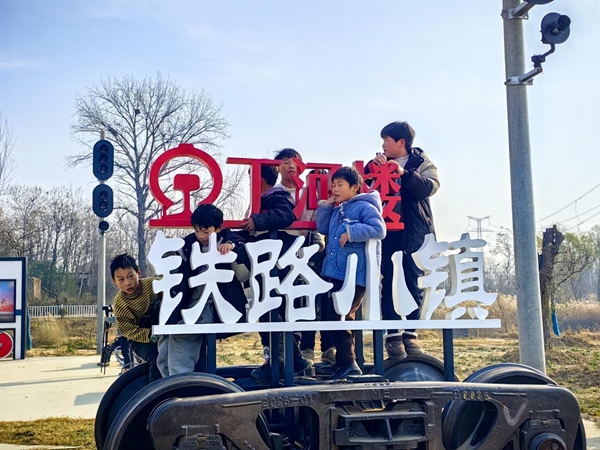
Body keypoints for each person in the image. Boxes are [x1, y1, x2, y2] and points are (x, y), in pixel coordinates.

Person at [367, 121, 439, 360]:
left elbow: (428, 188)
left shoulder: (422, 163)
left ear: (401, 142)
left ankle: (410, 333)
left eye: (386, 140)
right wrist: (371, 167)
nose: (383, 145)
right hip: (388, 233)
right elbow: (363, 186)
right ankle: (392, 334)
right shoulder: (378, 163)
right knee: (389, 281)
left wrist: (404, 174)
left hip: (414, 232)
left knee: (413, 280)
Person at [238, 164, 313, 381]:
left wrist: (257, 221)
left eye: (252, 176)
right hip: (267, 265)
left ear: (260, 178)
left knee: (271, 310)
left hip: (276, 265)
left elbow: (285, 215)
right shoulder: (262, 200)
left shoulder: (275, 196)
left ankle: (282, 361)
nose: (250, 182)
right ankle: (289, 359)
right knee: (268, 310)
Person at [158, 204, 248, 377]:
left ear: (219, 228)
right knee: (166, 336)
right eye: (197, 230)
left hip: (213, 305)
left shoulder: (230, 242)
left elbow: (243, 269)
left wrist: (233, 248)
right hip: (190, 302)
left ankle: (180, 382)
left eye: (205, 232)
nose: (200, 236)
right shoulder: (188, 244)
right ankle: (167, 380)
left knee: (183, 334)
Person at [315, 167, 386, 380]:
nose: (335, 189)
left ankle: (348, 364)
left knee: (339, 317)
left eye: (340, 185)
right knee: (334, 317)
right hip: (336, 273)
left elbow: (379, 229)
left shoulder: (365, 206)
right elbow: (323, 228)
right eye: (333, 185)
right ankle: (343, 362)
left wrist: (352, 232)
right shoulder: (339, 209)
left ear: (355, 187)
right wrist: (326, 206)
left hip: (355, 276)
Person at [273, 149, 334, 365]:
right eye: (285, 162)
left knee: (313, 298)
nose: (291, 166)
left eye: (295, 162)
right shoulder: (271, 194)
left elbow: (320, 223)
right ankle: (290, 351)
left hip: (308, 251)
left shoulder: (311, 193)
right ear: (277, 167)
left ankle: (313, 348)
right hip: (281, 253)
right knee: (284, 301)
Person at [111, 253, 162, 382]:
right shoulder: (120, 304)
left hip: (164, 328)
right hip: (140, 340)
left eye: (131, 276)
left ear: (138, 273)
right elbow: (128, 330)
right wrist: (152, 335)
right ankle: (155, 391)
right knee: (157, 356)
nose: (127, 283)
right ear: (114, 282)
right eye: (121, 280)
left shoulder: (153, 285)